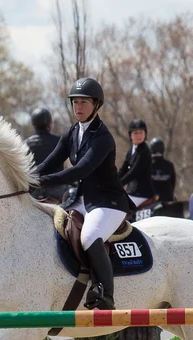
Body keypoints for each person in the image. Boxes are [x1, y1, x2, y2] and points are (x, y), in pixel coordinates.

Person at [33, 77, 133, 311]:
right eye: (75, 102)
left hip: (108, 203)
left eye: (84, 102)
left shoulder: (103, 138)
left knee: (88, 237)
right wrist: (26, 177)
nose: (78, 107)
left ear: (96, 105)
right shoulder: (72, 132)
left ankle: (106, 294)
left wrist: (40, 182)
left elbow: (80, 170)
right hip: (81, 199)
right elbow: (50, 162)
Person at [25, 107, 66, 202]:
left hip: (33, 192)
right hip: (57, 191)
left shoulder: (26, 144)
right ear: (50, 123)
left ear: (33, 124)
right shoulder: (59, 142)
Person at [117, 119, 155, 207]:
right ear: (130, 135)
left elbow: (133, 173)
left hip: (141, 193)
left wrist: (119, 184)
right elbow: (123, 170)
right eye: (136, 133)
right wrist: (112, 181)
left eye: (141, 132)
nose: (139, 135)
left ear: (145, 134)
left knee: (120, 207)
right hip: (132, 192)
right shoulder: (131, 150)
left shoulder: (144, 151)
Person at [149, 137, 177, 202]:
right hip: (168, 202)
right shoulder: (169, 165)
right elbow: (172, 184)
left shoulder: (147, 165)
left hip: (151, 204)